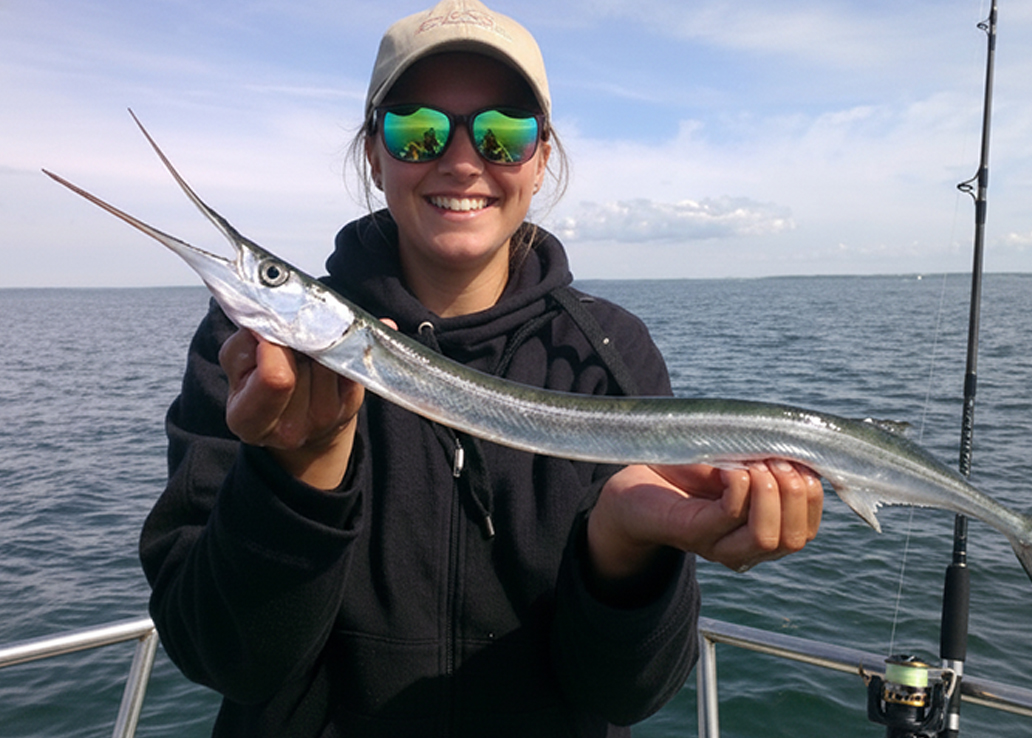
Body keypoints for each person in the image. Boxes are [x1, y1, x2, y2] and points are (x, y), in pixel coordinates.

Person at [139, 1, 824, 736]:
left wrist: (625, 550)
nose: (462, 161)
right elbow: (224, 660)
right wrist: (292, 478)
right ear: (374, 154)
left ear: (542, 158)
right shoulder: (245, 354)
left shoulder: (609, 351)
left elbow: (627, 696)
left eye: (503, 133)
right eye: (416, 129)